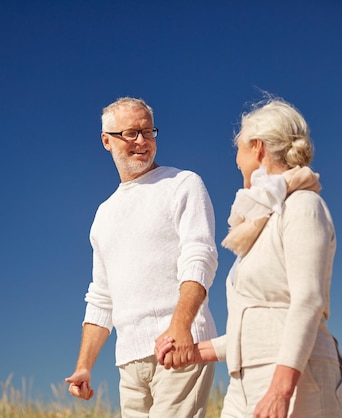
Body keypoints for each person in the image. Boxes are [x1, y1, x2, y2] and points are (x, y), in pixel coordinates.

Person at [156, 96, 342, 417]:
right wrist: (194, 352)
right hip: (244, 383)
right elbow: (254, 329)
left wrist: (280, 389)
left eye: (239, 149)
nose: (236, 160)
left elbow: (308, 302)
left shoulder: (302, 206)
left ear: (257, 148)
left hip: (297, 379)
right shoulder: (259, 224)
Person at [65, 97, 219, 417]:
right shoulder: (104, 215)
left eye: (149, 132)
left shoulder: (182, 184)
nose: (143, 141)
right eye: (131, 133)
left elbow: (200, 257)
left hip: (179, 347)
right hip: (129, 362)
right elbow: (101, 297)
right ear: (107, 140)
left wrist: (180, 328)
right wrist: (84, 367)